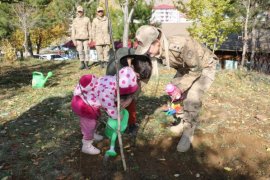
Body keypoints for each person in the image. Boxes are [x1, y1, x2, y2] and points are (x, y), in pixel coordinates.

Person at [135, 25, 218, 152]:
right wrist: (133, 91)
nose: (146, 52)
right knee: (173, 90)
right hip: (186, 68)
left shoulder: (181, 45)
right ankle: (181, 121)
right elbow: (145, 73)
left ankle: (188, 133)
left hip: (204, 66)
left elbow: (196, 70)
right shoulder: (155, 49)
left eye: (147, 49)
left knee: (191, 97)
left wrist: (181, 88)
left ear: (157, 42)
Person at [71, 66, 140, 155]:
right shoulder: (106, 91)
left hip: (90, 103)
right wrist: (117, 116)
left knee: (95, 120)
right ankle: (86, 145)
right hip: (83, 105)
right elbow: (109, 106)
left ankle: (93, 134)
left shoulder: (113, 80)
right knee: (89, 124)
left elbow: (112, 96)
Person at [106, 47, 152, 134]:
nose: (138, 79)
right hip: (115, 84)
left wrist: (131, 98)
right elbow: (111, 89)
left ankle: (131, 124)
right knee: (117, 103)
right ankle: (116, 123)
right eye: (137, 77)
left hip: (132, 73)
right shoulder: (115, 68)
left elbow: (139, 83)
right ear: (132, 67)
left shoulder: (144, 62)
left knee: (131, 103)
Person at [71, 6, 92, 70]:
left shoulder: (87, 19)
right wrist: (73, 40)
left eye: (81, 11)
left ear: (83, 12)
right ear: (77, 12)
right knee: (80, 51)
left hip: (86, 38)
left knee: (87, 52)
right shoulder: (74, 20)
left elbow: (90, 29)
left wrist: (90, 39)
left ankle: (86, 65)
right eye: (78, 11)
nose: (80, 12)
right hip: (78, 39)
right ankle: (82, 63)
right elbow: (73, 31)